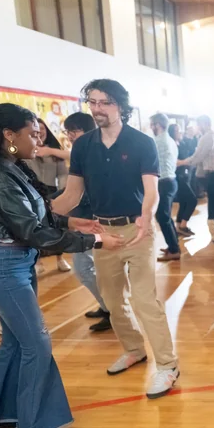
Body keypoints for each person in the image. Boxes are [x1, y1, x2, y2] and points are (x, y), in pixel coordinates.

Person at [0, 102, 122, 428]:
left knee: (16, 341)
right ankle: (37, 427)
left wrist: (75, 223)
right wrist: (95, 240)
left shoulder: (11, 167)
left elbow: (37, 213)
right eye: (32, 133)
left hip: (16, 260)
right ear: (9, 135)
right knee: (36, 344)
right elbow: (31, 230)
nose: (39, 138)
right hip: (2, 264)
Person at [53, 79, 181, 399]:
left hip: (137, 230)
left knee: (143, 299)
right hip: (101, 232)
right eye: (93, 102)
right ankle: (134, 349)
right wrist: (36, 212)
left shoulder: (141, 142)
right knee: (112, 299)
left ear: (121, 106)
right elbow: (72, 194)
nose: (97, 108)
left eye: (105, 102)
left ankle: (167, 365)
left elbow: (151, 189)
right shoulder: (82, 146)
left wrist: (146, 215)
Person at [62, 112, 112, 332]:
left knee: (87, 268)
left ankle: (112, 309)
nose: (71, 136)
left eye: (74, 131)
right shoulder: (82, 151)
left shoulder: (95, 152)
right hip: (80, 218)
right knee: (86, 268)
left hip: (92, 219)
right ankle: (107, 306)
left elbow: (82, 191)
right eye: (68, 131)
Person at [28, 119, 72, 273]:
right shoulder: (25, 149)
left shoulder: (55, 151)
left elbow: (62, 174)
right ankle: (38, 260)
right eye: (36, 130)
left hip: (52, 191)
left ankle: (60, 258)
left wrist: (62, 194)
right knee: (35, 226)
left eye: (43, 129)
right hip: (31, 192)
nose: (40, 133)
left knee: (57, 226)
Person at [179, 115, 214, 243]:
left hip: (213, 175)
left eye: (198, 125)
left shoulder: (206, 137)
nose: (197, 128)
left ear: (203, 124)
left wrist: (182, 162)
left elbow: (198, 157)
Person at [150, 114, 181, 262]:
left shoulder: (157, 141)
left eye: (152, 124)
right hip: (170, 181)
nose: (151, 127)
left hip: (164, 182)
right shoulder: (170, 140)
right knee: (165, 216)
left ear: (158, 125)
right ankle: (173, 245)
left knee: (162, 216)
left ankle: (174, 249)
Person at [169, 123, 197, 237]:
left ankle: (179, 226)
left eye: (180, 130)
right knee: (192, 200)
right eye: (177, 131)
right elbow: (173, 162)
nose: (179, 132)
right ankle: (183, 225)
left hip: (185, 176)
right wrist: (186, 161)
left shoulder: (182, 143)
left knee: (184, 202)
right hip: (176, 177)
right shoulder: (170, 145)